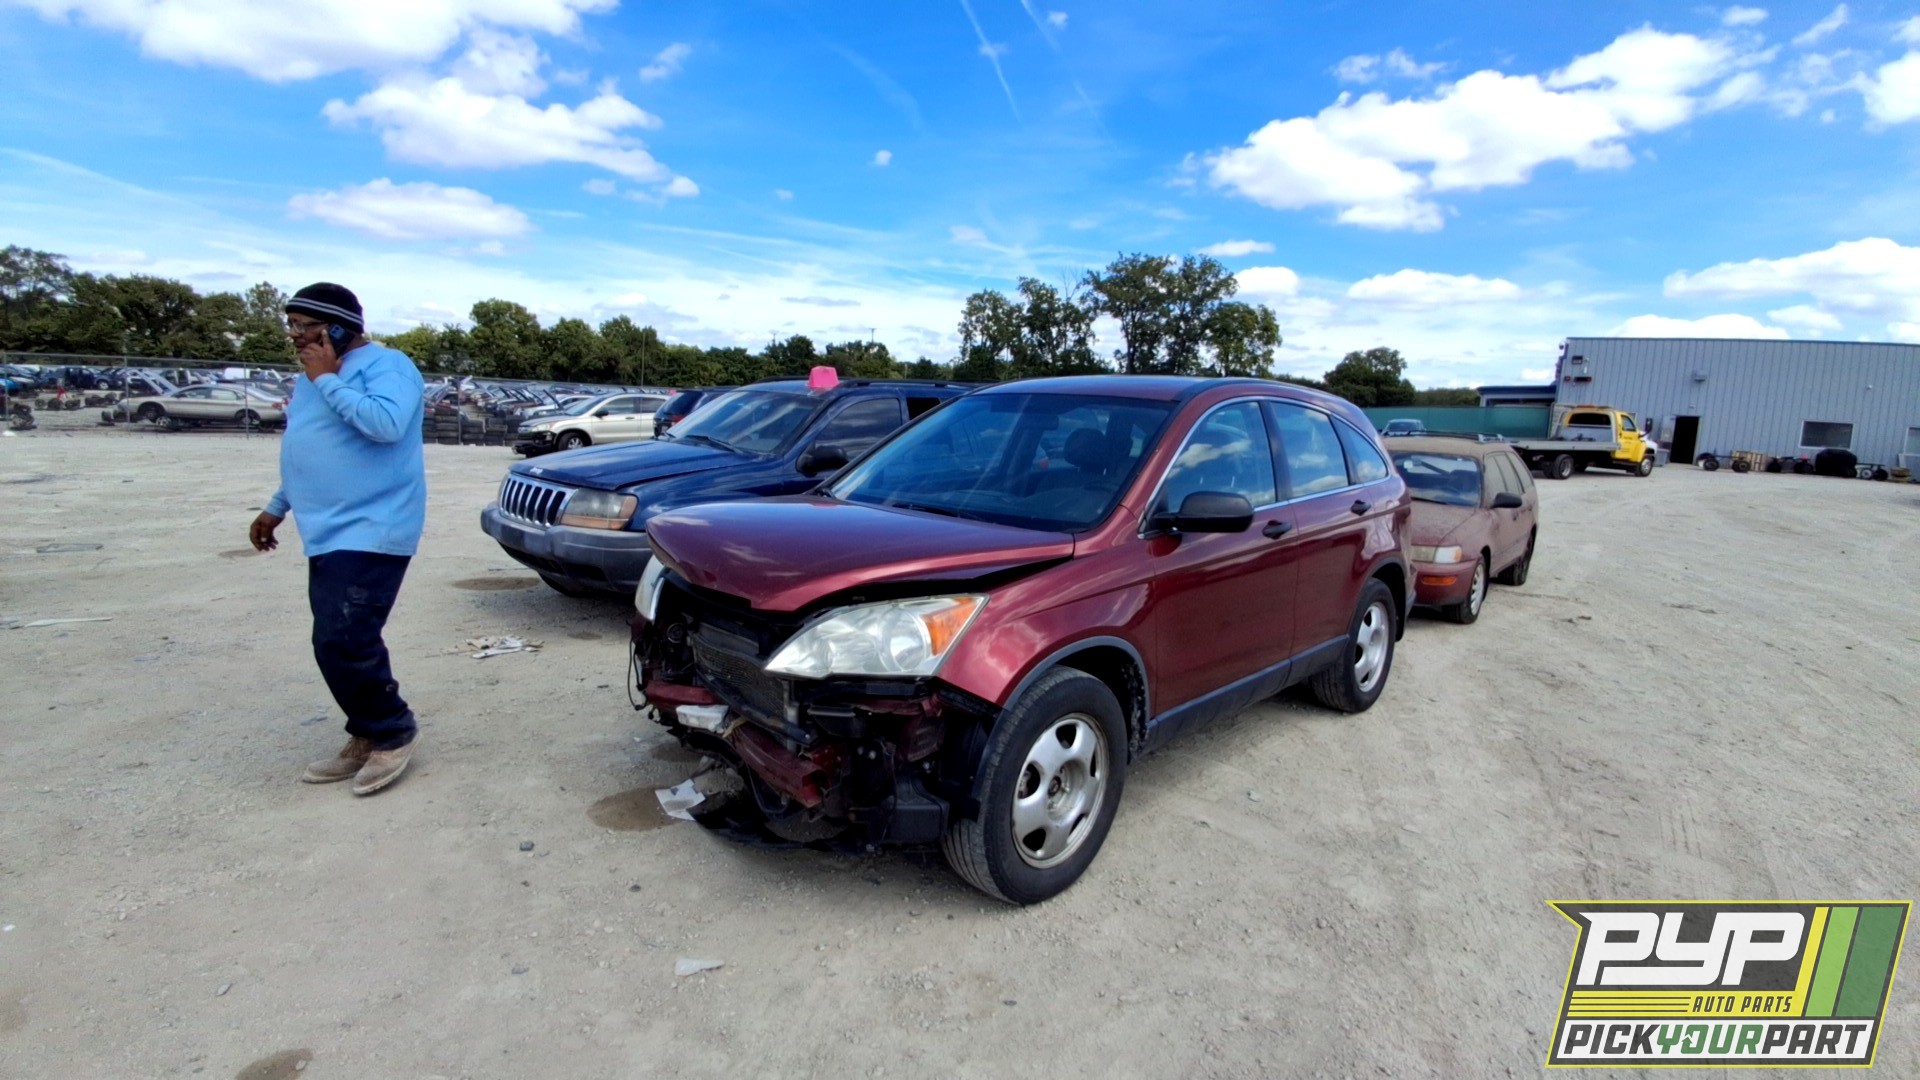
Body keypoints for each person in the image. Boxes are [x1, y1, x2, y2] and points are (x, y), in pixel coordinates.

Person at [248, 283, 427, 796]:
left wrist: (327, 379)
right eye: (293, 326)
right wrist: (277, 506)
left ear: (339, 326)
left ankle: (393, 731)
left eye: (305, 326)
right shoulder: (313, 378)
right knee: (332, 639)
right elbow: (313, 446)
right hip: (326, 529)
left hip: (375, 525)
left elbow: (386, 426)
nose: (296, 337)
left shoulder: (387, 366)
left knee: (344, 638)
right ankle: (368, 730)